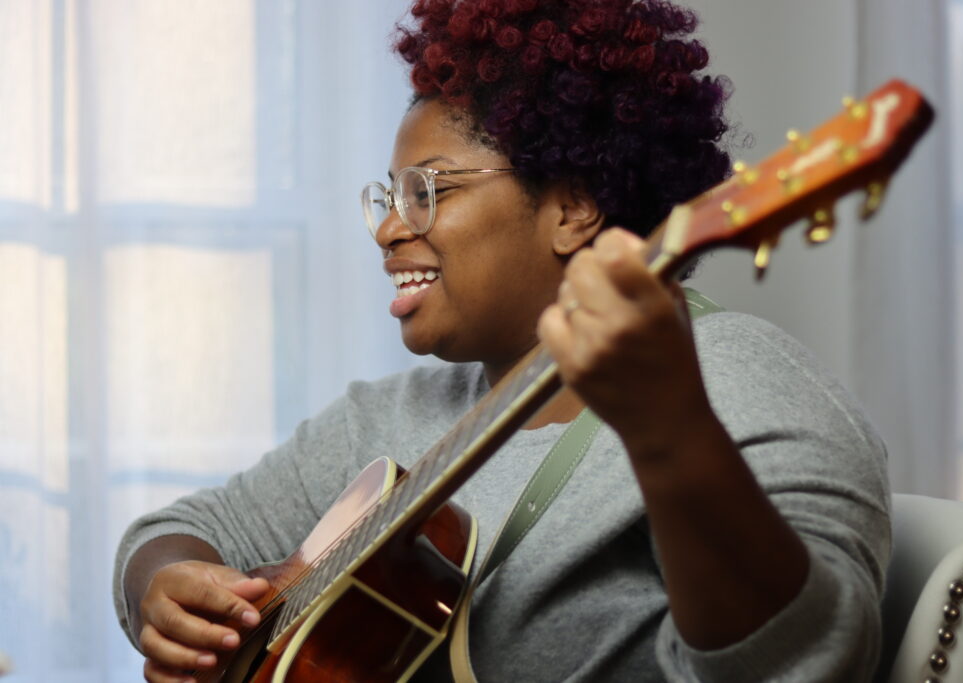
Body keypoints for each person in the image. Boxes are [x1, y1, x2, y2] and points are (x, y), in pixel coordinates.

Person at [113, 1, 890, 681]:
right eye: (389, 197)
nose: (388, 229)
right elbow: (175, 533)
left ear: (572, 208)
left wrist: (671, 431)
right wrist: (170, 586)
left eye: (427, 190)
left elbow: (810, 662)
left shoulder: (743, 383)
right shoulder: (392, 417)